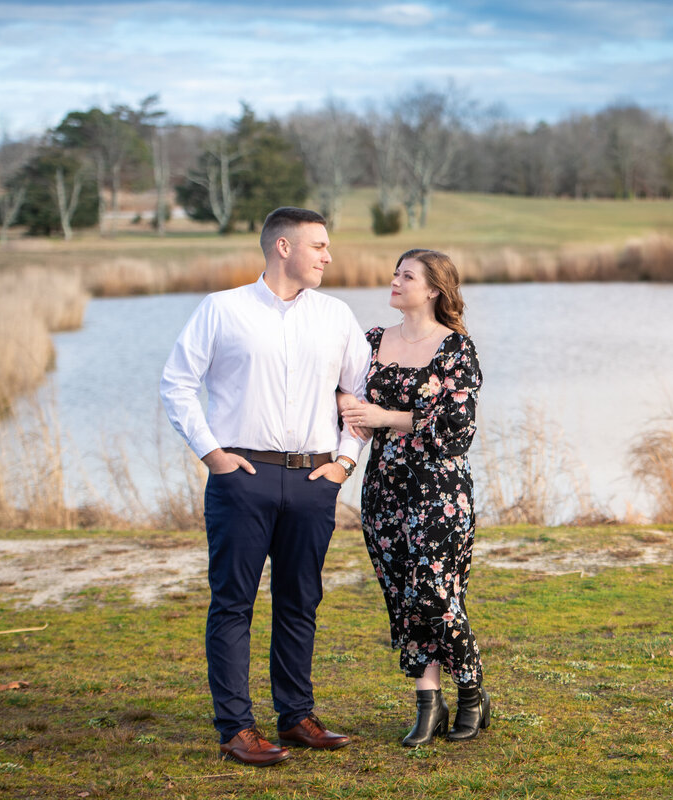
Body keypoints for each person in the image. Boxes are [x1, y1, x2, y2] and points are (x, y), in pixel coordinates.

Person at [160, 207, 371, 767]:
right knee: (233, 603)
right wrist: (213, 454)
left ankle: (296, 715)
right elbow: (177, 383)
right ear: (283, 247)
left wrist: (344, 464)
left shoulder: (336, 316)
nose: (328, 256)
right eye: (319, 245)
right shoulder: (221, 310)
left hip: (312, 479)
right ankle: (235, 727)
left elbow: (359, 398)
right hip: (242, 479)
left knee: (301, 599)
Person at [338, 248, 488, 746]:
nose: (395, 281)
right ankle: (429, 703)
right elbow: (339, 387)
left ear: (433, 290)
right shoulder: (373, 340)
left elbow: (458, 427)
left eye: (407, 275)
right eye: (395, 273)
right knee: (403, 598)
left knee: (436, 595)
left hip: (439, 488)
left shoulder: (456, 349)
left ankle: (471, 692)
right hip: (384, 487)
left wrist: (386, 418)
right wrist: (346, 402)